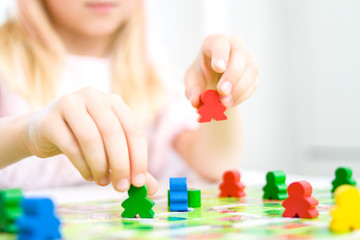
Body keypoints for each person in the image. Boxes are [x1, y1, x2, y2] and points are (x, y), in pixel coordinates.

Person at [0, 0, 258, 195]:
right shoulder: (6, 65)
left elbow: (212, 163)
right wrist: (27, 135)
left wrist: (221, 89)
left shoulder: (152, 76)